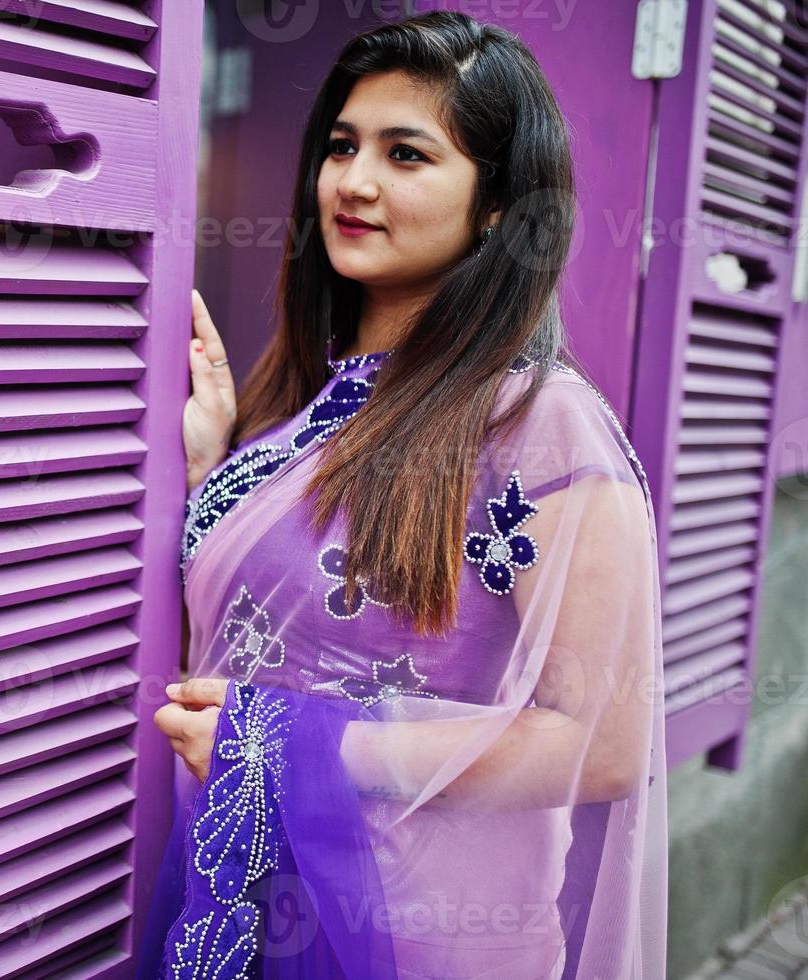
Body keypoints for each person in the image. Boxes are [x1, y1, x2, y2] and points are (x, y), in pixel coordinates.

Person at [142, 11, 667, 979]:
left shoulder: (537, 422)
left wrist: (286, 745)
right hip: (246, 887)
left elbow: (598, 742)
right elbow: (228, 654)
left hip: (413, 930)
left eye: (407, 153)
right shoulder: (300, 406)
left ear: (502, 204)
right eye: (342, 144)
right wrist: (208, 463)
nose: (355, 180)